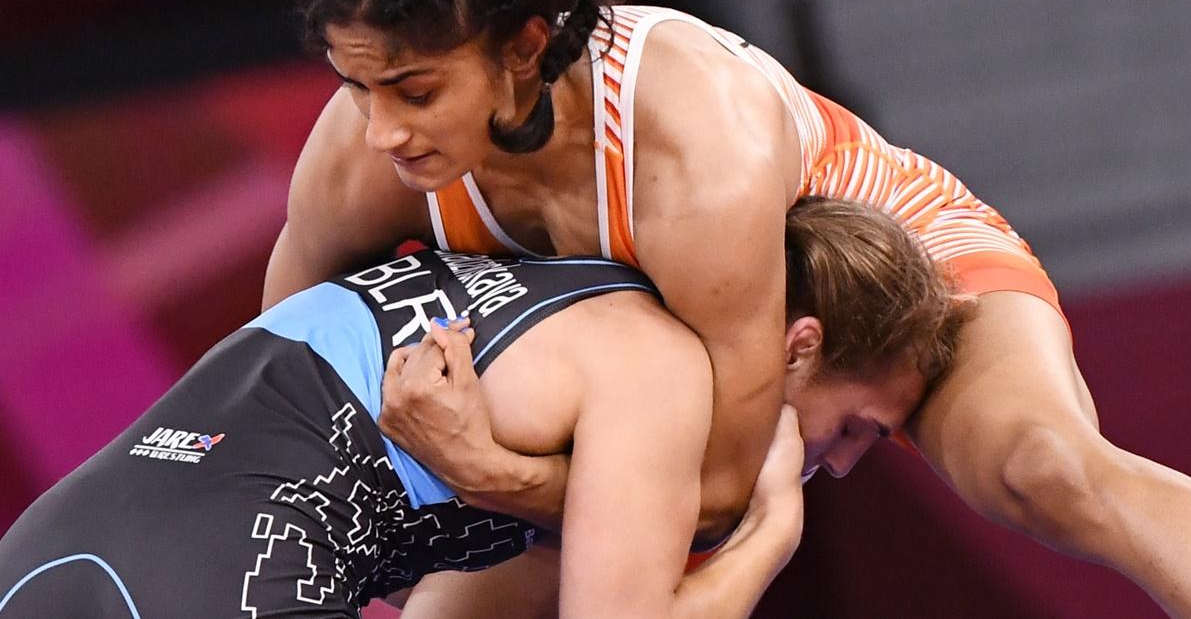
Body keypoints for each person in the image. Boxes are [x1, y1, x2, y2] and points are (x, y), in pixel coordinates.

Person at [264, 0, 1191, 617]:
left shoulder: (693, 149)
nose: (381, 128)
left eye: (416, 91)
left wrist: (492, 474)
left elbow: (715, 495)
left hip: (885, 263)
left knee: (1043, 469)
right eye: (358, 86)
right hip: (682, 365)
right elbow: (272, 401)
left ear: (524, 47)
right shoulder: (362, 154)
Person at [0, 198, 959, 618]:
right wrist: (769, 538)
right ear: (802, 347)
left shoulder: (550, 287)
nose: (836, 464)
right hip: (230, 573)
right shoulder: (658, 368)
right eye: (857, 428)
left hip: (53, 544)